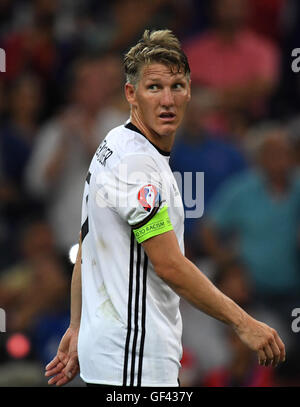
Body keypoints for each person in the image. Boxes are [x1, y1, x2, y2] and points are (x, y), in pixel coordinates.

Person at [45, 29, 285, 387]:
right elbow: (169, 264)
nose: (167, 100)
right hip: (134, 361)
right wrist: (244, 323)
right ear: (131, 94)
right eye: (154, 87)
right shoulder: (138, 166)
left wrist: (79, 326)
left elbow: (87, 246)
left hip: (112, 355)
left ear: (190, 92)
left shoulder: (114, 141)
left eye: (177, 86)